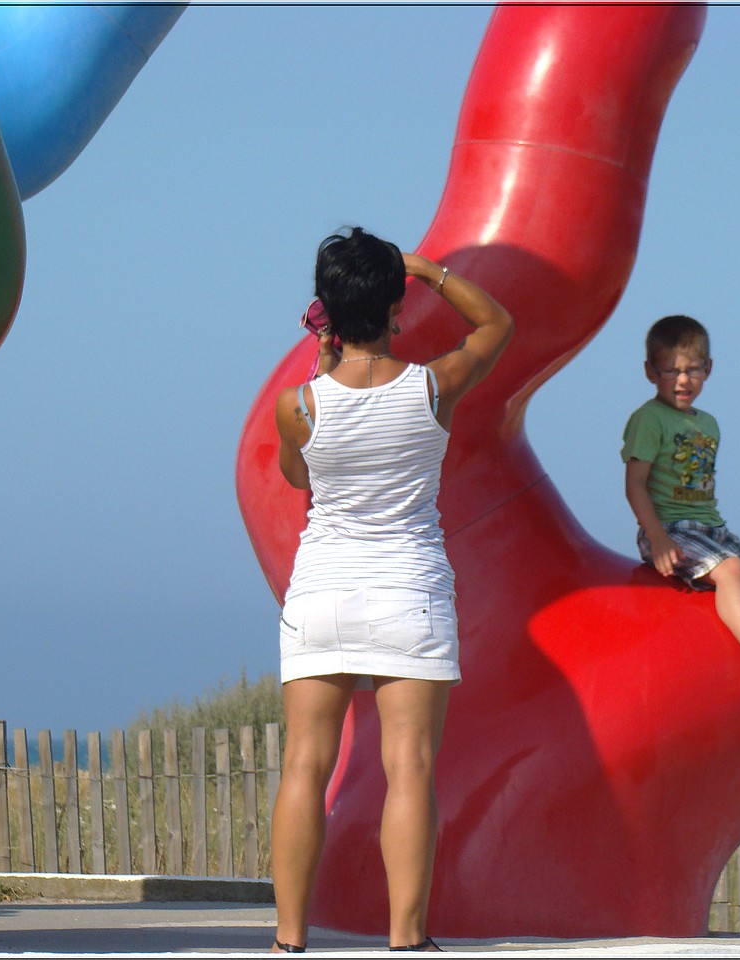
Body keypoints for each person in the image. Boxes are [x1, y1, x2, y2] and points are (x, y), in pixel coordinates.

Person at [270, 227, 512, 953]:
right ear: (393, 307)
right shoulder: (432, 386)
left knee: (304, 765)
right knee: (409, 766)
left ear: (327, 308)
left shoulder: (298, 404)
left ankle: (288, 941)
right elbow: (497, 325)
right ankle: (406, 940)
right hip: (409, 590)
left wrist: (323, 368)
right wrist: (430, 271)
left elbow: (298, 476)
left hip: (322, 592)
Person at [621, 314, 740, 687]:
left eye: (692, 370)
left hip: (712, 530)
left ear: (708, 369)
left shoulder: (708, 423)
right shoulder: (649, 419)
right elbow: (635, 484)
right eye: (670, 371)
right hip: (670, 530)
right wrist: (657, 538)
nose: (682, 380)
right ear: (650, 372)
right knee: (731, 569)